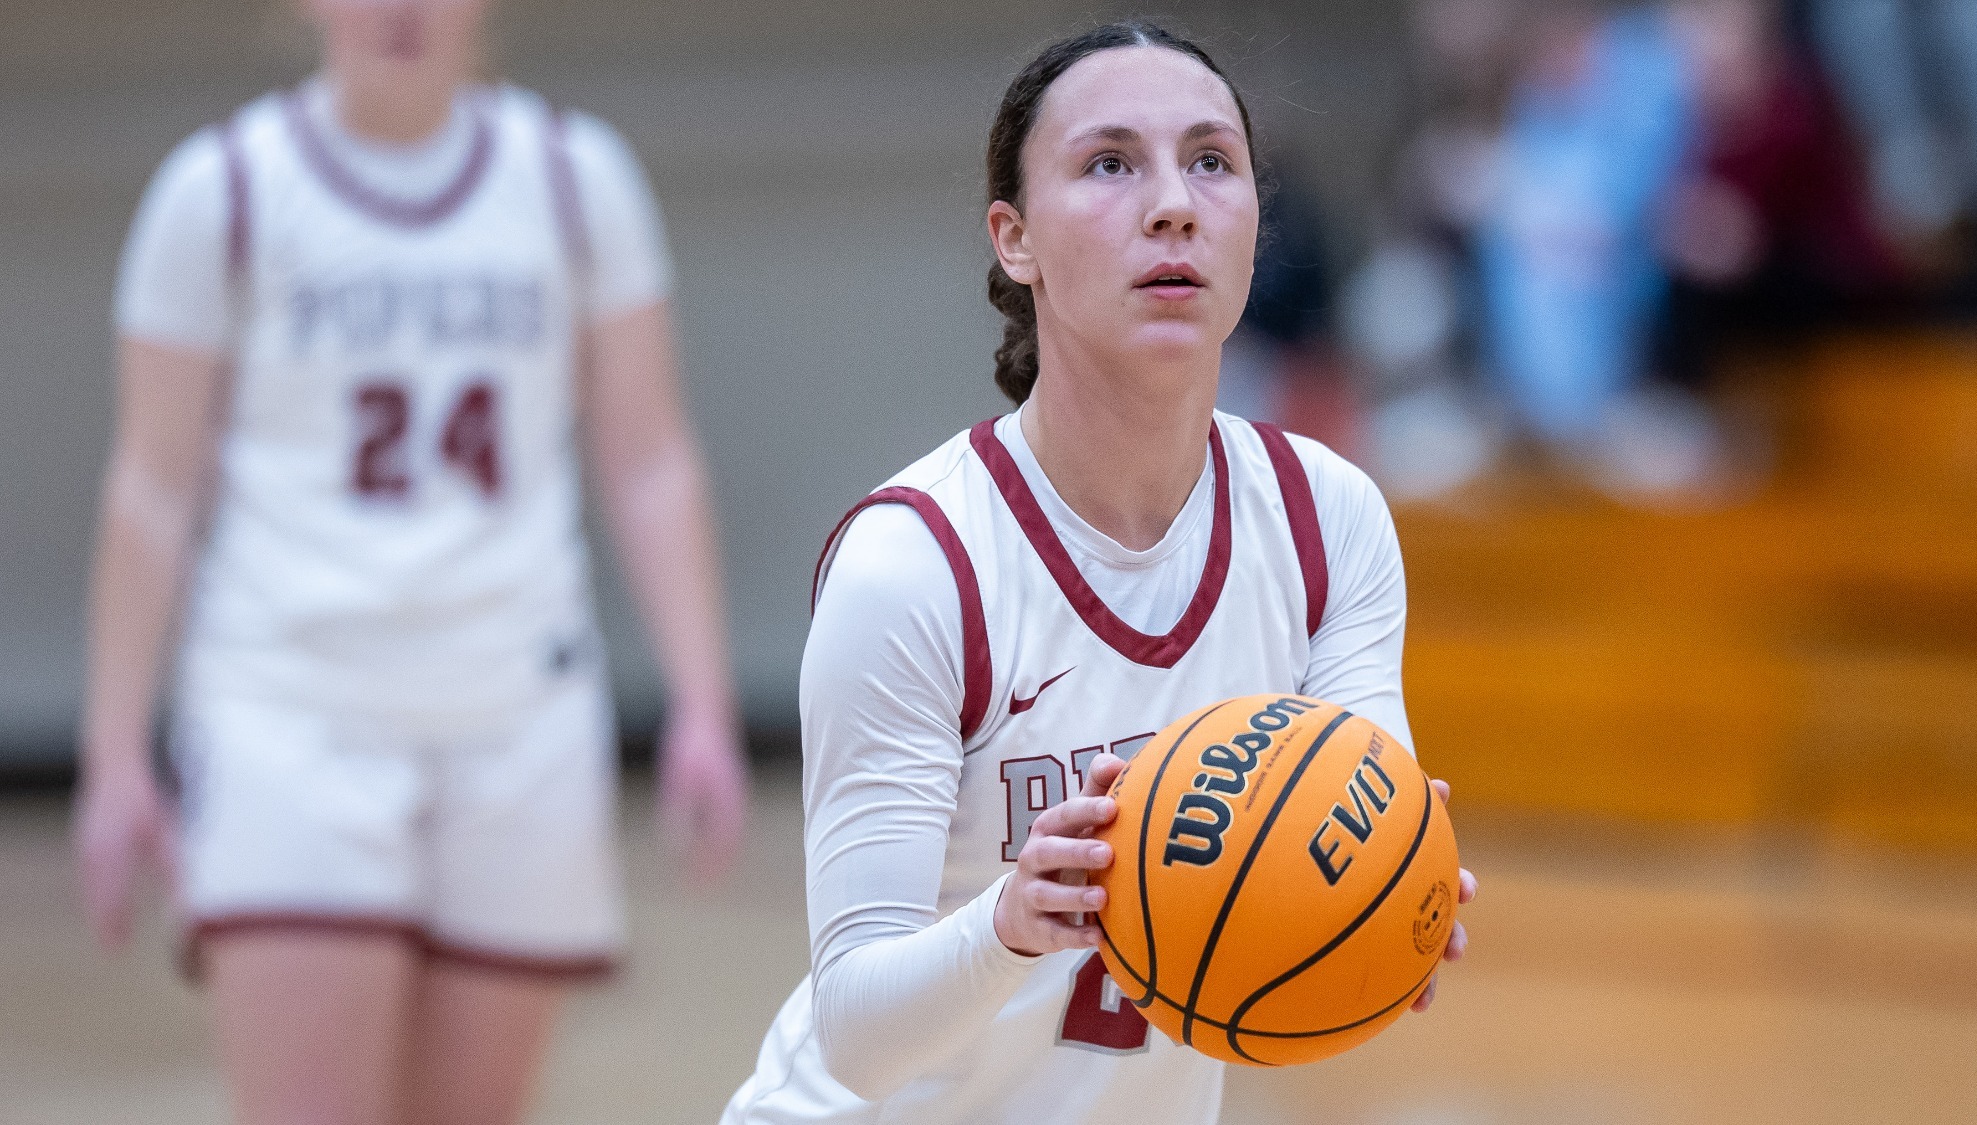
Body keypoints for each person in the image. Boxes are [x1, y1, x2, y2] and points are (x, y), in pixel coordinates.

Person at [723, 21, 1475, 1125]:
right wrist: (1010, 921)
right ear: (1013, 239)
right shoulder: (915, 565)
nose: (1171, 202)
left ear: (1254, 228)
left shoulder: (1330, 520)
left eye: (1210, 161)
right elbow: (854, 1032)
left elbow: (1364, 806)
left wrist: (1382, 897)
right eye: (1109, 162)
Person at [72, 0, 748, 1121]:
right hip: (290, 711)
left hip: (515, 715)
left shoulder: (576, 179)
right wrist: (112, 757)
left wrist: (702, 707)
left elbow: (649, 460)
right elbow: (151, 486)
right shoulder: (222, 190)